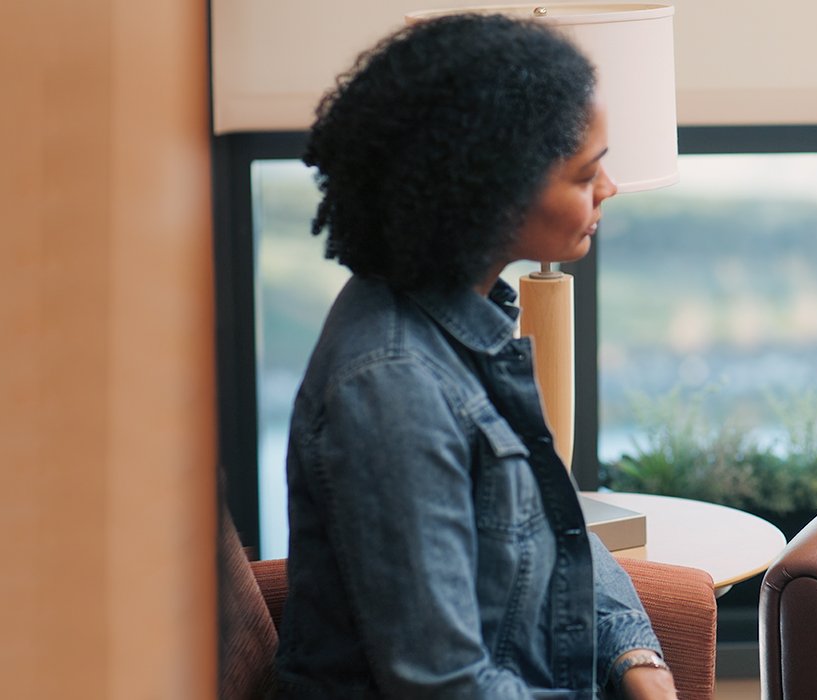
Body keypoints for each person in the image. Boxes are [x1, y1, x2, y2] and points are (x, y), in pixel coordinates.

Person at [274, 14, 677, 699]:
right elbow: (444, 686)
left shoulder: (470, 318)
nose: (607, 189)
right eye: (586, 174)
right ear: (493, 193)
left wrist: (637, 657)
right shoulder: (391, 384)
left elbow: (557, 523)